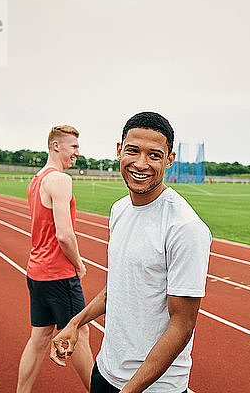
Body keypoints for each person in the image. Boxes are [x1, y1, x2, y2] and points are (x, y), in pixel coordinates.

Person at [50, 112, 212, 393]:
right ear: (118, 151)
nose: (141, 163)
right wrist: (75, 324)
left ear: (169, 160)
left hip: (154, 388)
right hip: (105, 372)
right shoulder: (119, 210)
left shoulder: (185, 227)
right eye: (133, 151)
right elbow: (116, 289)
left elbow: (182, 326)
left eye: (154, 155)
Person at [17, 125, 93, 393]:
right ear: (56, 146)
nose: (77, 153)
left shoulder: (37, 179)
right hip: (59, 274)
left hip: (36, 272)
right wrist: (79, 264)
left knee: (39, 339)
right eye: (73, 147)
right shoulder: (60, 180)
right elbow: (64, 235)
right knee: (80, 334)